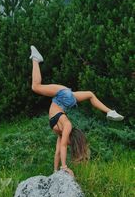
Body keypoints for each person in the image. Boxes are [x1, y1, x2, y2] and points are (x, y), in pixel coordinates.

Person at [30, 45, 124, 177]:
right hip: (63, 96)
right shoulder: (67, 126)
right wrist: (65, 167)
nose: (67, 144)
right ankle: (36, 59)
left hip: (64, 100)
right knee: (36, 86)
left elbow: (57, 152)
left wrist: (55, 172)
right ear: (72, 138)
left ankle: (110, 112)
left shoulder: (61, 132)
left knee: (90, 94)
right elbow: (63, 147)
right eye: (70, 143)